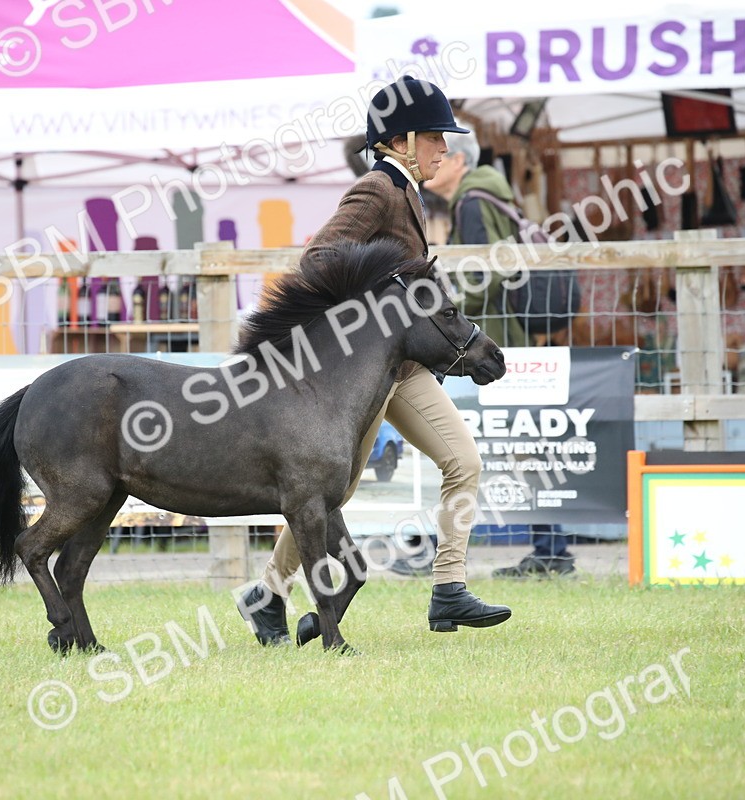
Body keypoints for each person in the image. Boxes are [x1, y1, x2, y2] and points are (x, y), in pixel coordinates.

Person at [236, 76, 512, 645]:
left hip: (404, 373)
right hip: (359, 376)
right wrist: (384, 295)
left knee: (463, 462)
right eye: (436, 138)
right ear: (402, 139)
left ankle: (448, 588)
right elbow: (319, 260)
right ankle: (269, 594)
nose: (445, 149)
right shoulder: (377, 189)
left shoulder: (408, 192)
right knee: (327, 492)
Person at [426, 128, 576, 578]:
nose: (433, 159)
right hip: (501, 335)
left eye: (441, 153)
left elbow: (487, 273)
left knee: (482, 444)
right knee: (519, 443)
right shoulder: (484, 196)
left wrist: (447, 320)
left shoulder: (473, 203)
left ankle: (551, 550)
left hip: (488, 341)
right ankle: (552, 549)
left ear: (460, 163)